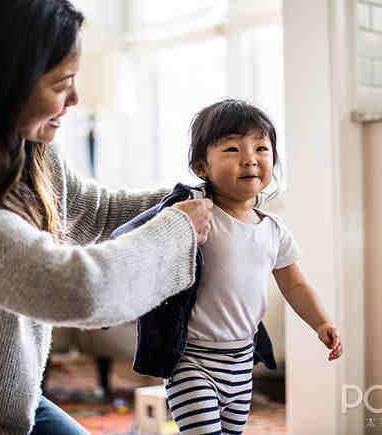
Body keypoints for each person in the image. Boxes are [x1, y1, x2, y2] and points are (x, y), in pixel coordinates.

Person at [0, 1, 213, 434]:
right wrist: (178, 231)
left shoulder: (29, 155)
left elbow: (97, 212)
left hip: (13, 403)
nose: (76, 99)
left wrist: (202, 194)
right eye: (62, 82)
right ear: (5, 84)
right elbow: (77, 289)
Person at [115, 99, 344, 435]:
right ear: (201, 167)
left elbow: (294, 285)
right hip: (192, 361)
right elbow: (139, 243)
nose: (250, 158)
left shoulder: (273, 229)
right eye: (233, 149)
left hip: (240, 363)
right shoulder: (193, 215)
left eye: (261, 148)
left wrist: (321, 321)